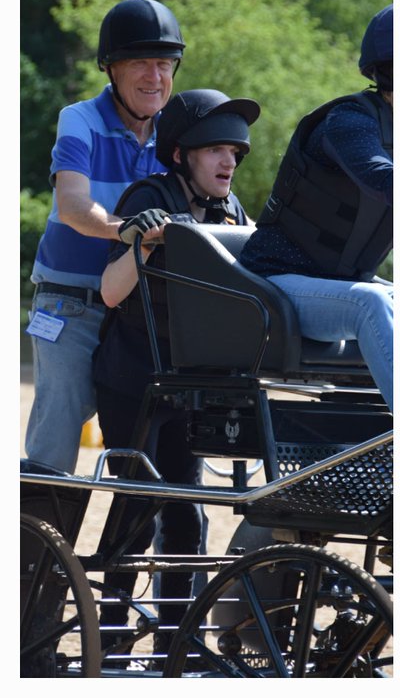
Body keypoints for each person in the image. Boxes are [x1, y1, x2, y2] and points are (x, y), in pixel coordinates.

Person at [93, 89, 257, 660]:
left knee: (187, 516)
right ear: (183, 154)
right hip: (132, 378)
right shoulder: (150, 195)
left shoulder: (232, 211)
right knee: (135, 510)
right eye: (215, 150)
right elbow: (111, 293)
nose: (228, 162)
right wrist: (141, 238)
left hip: (192, 384)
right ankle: (110, 644)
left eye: (234, 151)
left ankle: (175, 646)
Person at [25, 0, 185, 474]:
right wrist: (131, 232)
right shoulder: (80, 119)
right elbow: (73, 206)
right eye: (140, 62)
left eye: (164, 63)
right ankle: (35, 548)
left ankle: (150, 546)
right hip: (70, 303)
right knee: (57, 438)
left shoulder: (176, 132)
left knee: (154, 440)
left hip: (140, 311)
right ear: (111, 68)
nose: (154, 77)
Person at [239, 6, 393, 409]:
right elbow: (380, 177)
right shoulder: (349, 121)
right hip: (276, 281)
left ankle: (386, 433)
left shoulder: (397, 128)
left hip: (331, 282)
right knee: (371, 303)